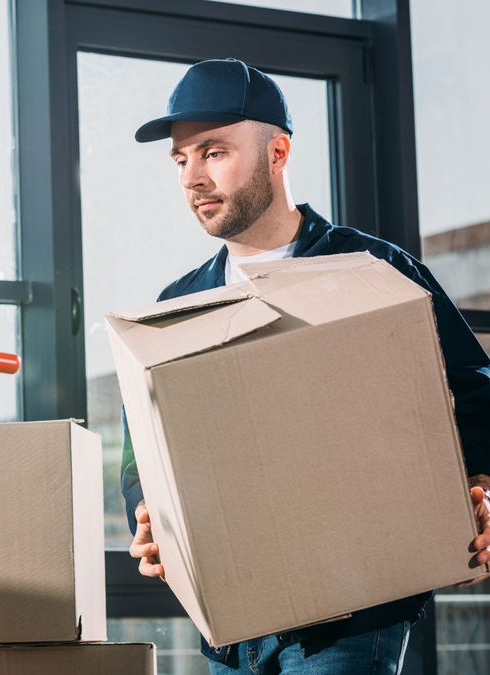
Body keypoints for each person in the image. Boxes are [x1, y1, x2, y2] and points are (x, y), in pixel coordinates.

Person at [122, 58, 490, 674]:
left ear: (278, 152)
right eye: (180, 160)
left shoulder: (371, 268)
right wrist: (146, 508)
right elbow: (142, 442)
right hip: (231, 624)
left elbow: (475, 390)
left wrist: (480, 483)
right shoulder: (178, 304)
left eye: (212, 152)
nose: (192, 178)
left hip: (353, 610)